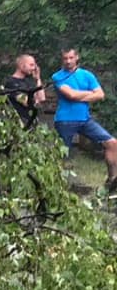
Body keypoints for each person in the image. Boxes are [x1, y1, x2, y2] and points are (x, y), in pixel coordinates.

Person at [50, 47, 117, 192]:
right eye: (65, 58)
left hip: (85, 119)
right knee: (62, 154)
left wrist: (80, 95)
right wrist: (89, 94)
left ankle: (112, 181)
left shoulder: (87, 75)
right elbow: (71, 95)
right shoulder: (58, 76)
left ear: (77, 58)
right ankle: (56, 187)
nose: (68, 61)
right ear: (62, 59)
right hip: (65, 120)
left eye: (71, 58)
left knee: (112, 143)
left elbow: (100, 95)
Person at [3, 54, 44, 129]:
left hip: (32, 123)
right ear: (21, 65)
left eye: (34, 65)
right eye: (31, 65)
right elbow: (26, 102)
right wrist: (35, 100)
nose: (34, 68)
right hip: (19, 124)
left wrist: (38, 79)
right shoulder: (11, 83)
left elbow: (42, 98)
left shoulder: (29, 81)